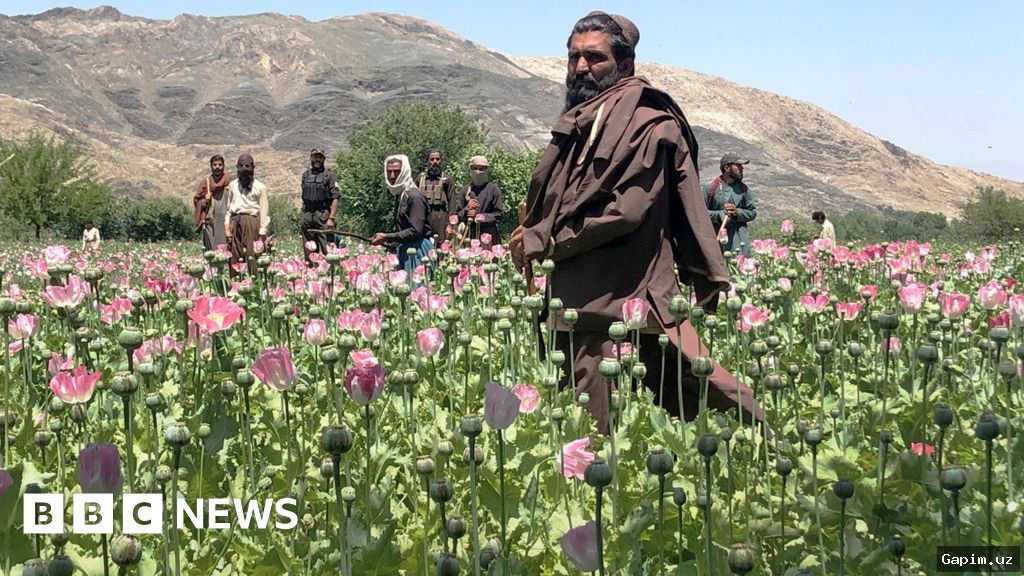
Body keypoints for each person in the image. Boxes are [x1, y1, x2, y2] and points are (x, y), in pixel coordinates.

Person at [509, 11, 763, 433]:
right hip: (578, 294)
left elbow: (624, 212)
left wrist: (549, 241)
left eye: (594, 58)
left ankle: (768, 448)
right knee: (622, 408)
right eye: (573, 58)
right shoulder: (588, 117)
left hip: (623, 290)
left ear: (625, 65)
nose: (581, 68)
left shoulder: (650, 124)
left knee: (667, 396)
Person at [371, 154, 434, 275]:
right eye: (389, 172)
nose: (392, 176)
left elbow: (416, 231)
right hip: (405, 248)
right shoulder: (401, 194)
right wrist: (394, 244)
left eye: (397, 171)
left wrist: (387, 237)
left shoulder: (415, 197)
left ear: (405, 171)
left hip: (418, 250)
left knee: (416, 289)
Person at [223, 154, 269, 275]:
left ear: (253, 168)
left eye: (247, 166)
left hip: (251, 222)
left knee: (252, 254)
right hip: (235, 221)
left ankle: (254, 284)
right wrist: (227, 226)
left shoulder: (260, 187)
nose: (244, 168)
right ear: (237, 167)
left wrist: (262, 232)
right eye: (241, 165)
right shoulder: (232, 185)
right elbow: (229, 208)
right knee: (234, 254)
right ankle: (235, 284)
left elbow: (264, 211)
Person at [706, 153, 757, 257]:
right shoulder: (710, 188)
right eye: (738, 165)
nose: (742, 168)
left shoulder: (744, 190)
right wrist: (719, 215)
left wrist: (737, 212)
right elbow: (700, 214)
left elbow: (752, 213)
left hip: (739, 239)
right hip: (716, 237)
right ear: (727, 167)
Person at [450, 155, 504, 244]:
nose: (478, 172)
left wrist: (480, 217)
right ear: (470, 169)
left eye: (481, 169)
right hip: (467, 237)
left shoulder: (493, 189)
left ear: (487, 170)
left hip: (488, 237)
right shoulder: (465, 190)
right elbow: (457, 215)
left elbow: (499, 215)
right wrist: (466, 210)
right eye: (475, 168)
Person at [300, 148, 340, 265]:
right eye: (315, 157)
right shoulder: (305, 175)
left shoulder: (330, 175)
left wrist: (331, 218)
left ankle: (332, 274)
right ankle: (312, 274)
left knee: (329, 249)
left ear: (324, 159)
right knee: (309, 251)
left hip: (323, 215)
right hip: (307, 215)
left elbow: (335, 197)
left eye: (320, 157)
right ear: (311, 158)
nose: (317, 159)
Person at [192, 154, 233, 251]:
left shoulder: (230, 181)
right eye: (215, 165)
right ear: (211, 166)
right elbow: (197, 201)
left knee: (228, 249)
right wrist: (205, 200)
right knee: (212, 251)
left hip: (227, 221)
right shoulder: (206, 183)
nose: (217, 167)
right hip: (211, 222)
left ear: (223, 166)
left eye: (220, 164)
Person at [416, 148, 456, 241]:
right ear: (427, 161)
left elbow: (452, 204)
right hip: (423, 218)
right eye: (432, 159)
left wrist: (450, 225)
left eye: (437, 159)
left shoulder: (447, 179)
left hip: (441, 219)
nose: (435, 162)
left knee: (441, 247)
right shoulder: (420, 178)